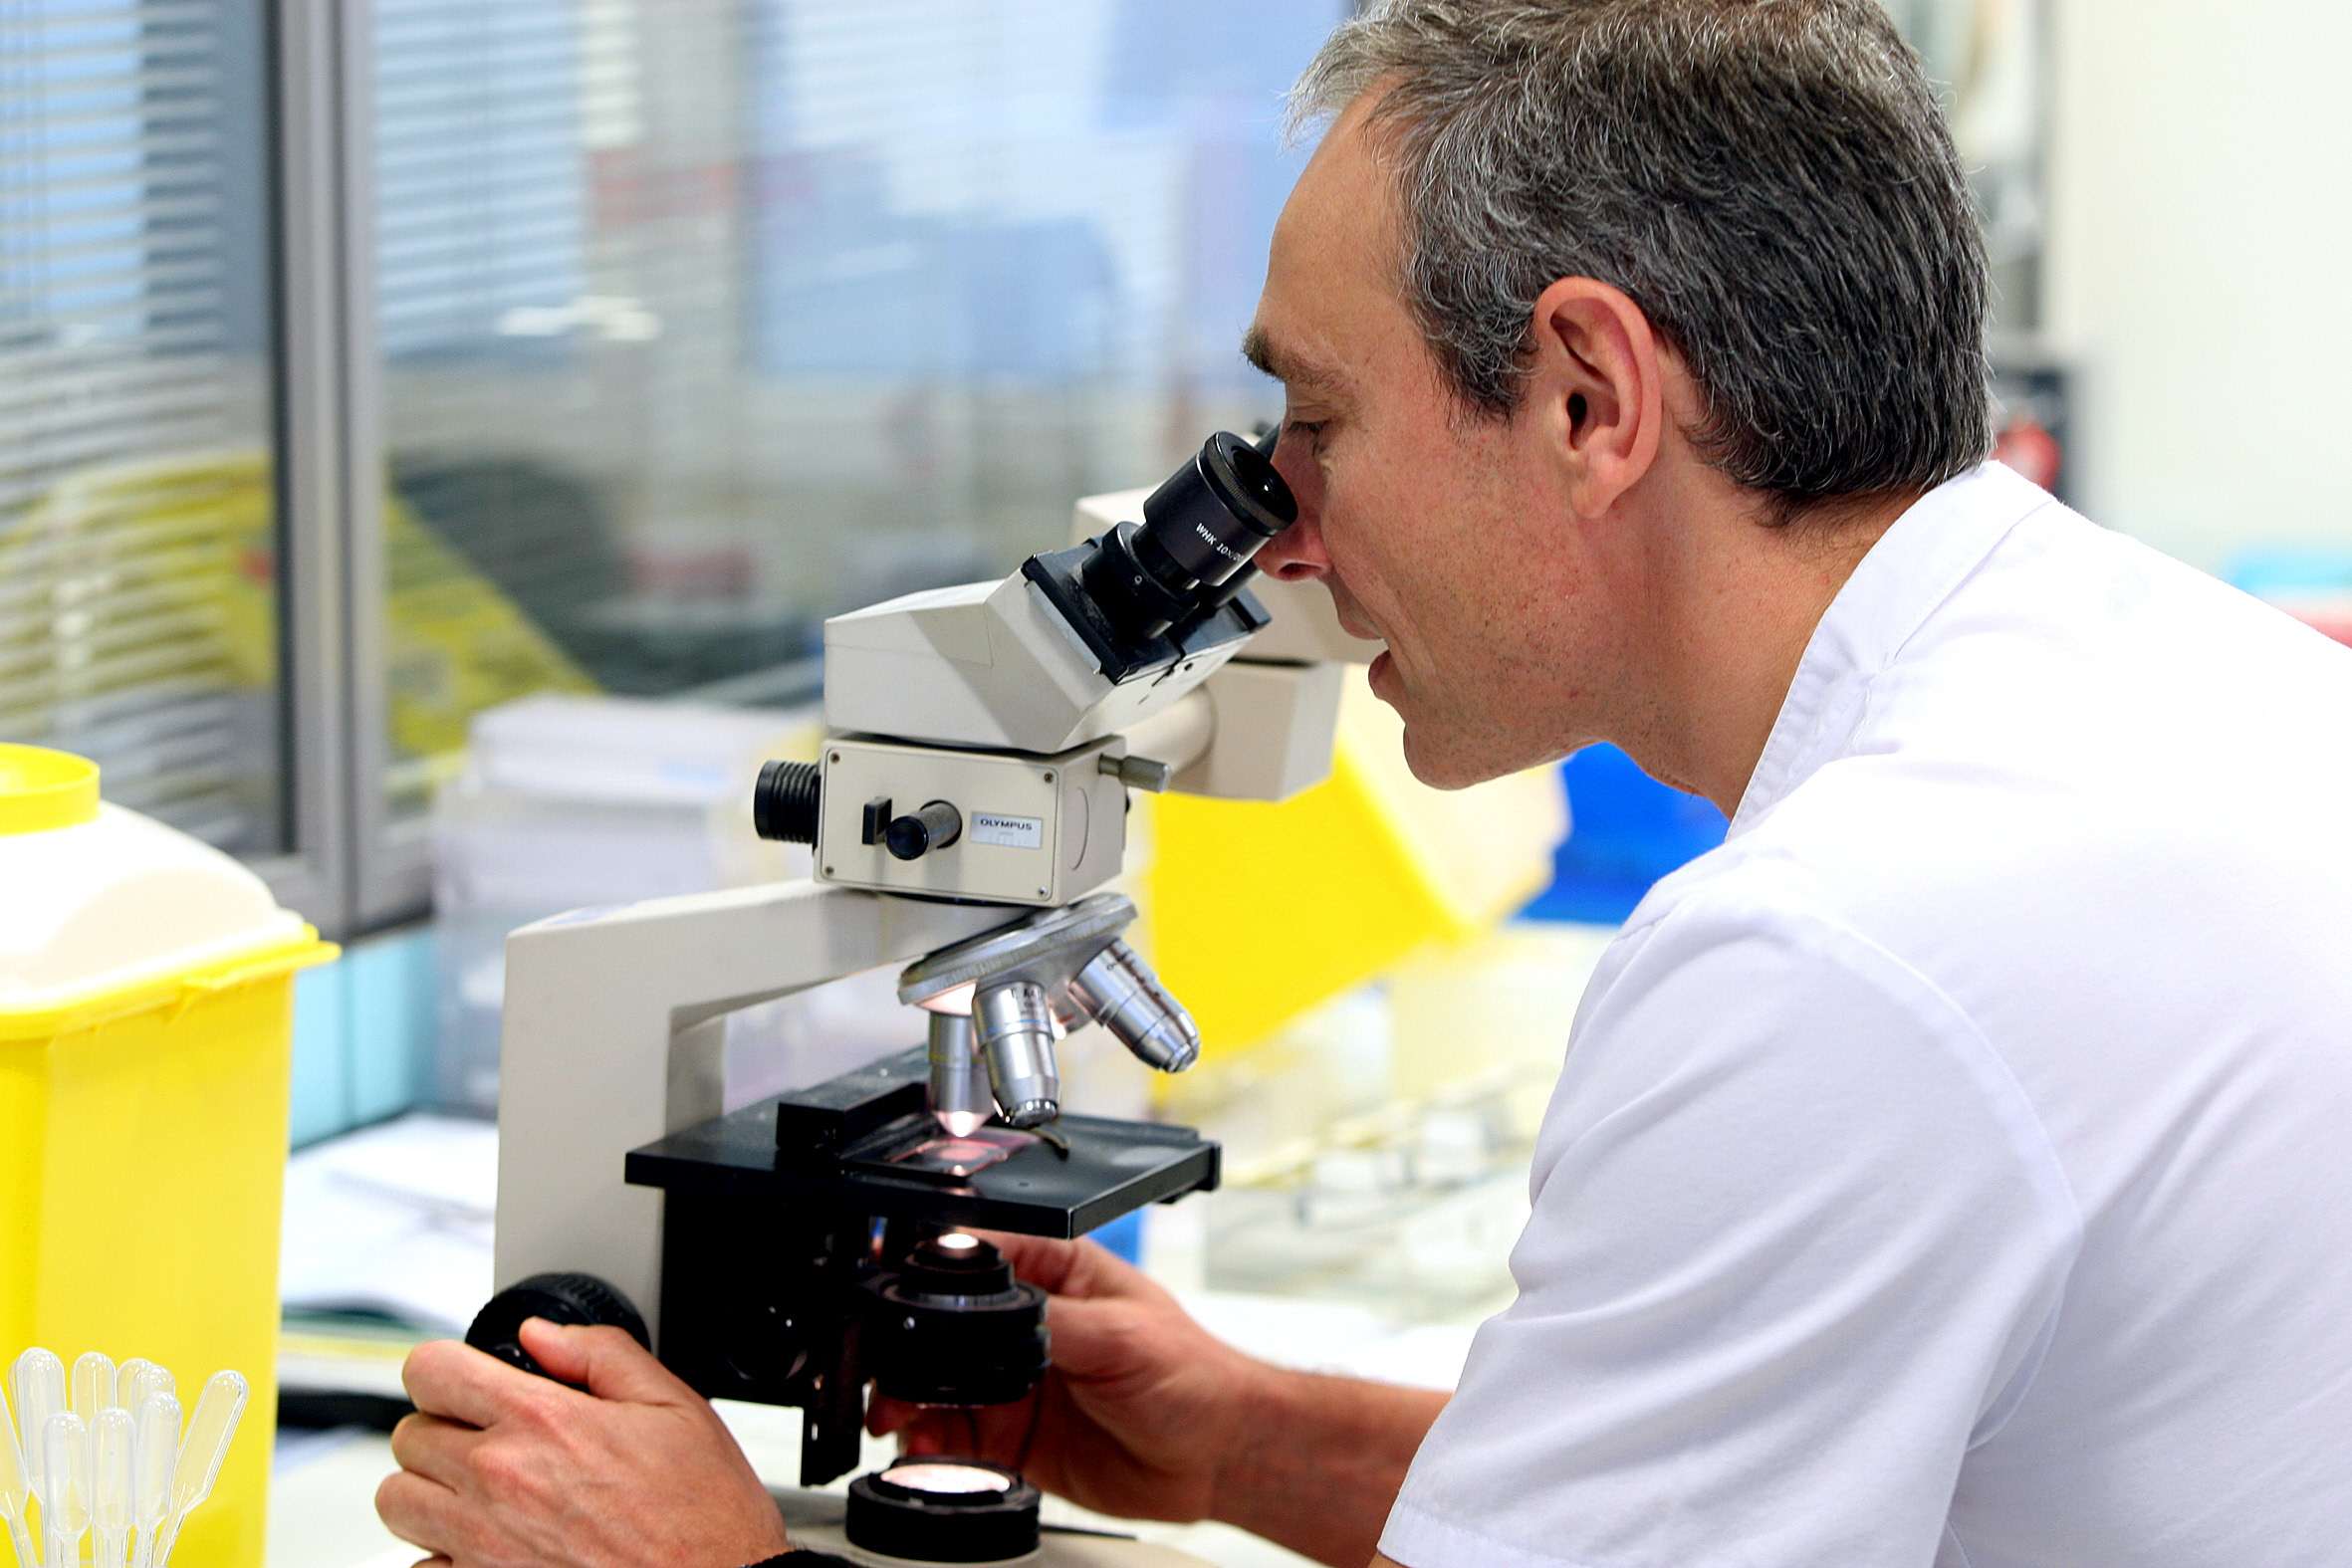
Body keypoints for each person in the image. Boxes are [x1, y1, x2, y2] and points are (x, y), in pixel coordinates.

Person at [377, 3, 2352, 1565]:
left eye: (1316, 419)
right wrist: (1244, 1438)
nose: (1289, 535)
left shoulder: (1836, 960)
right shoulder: (2177, 669)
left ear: (1586, 398)